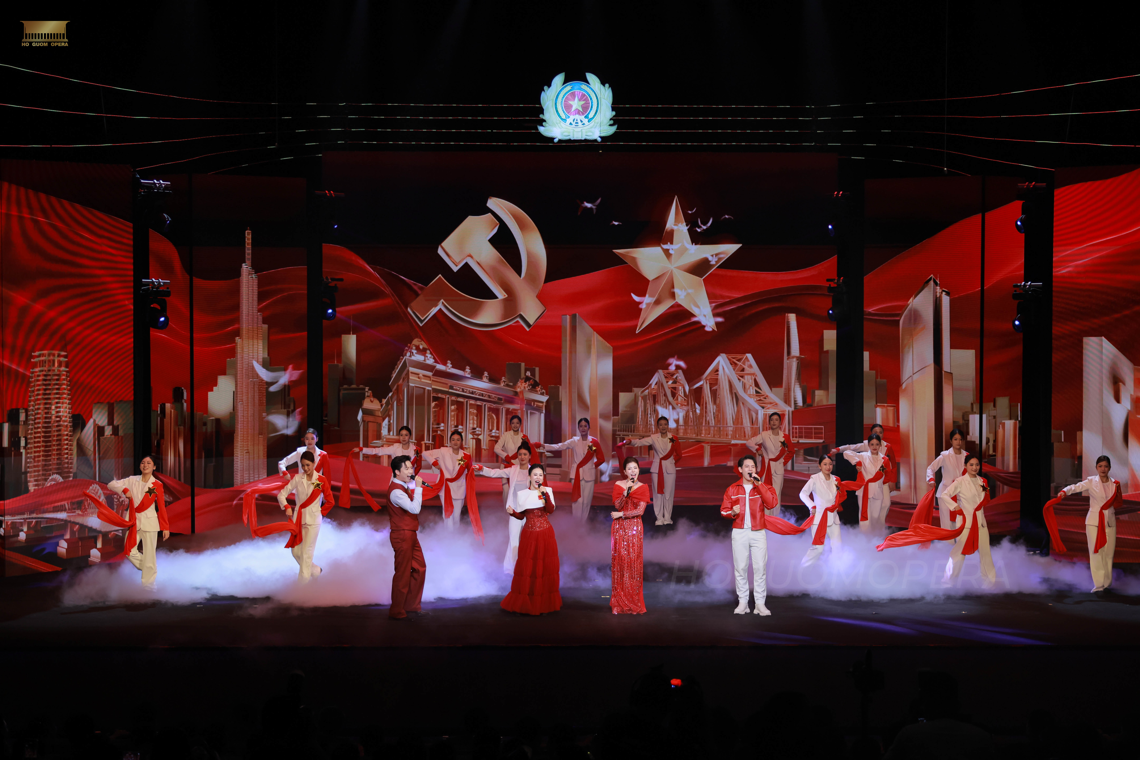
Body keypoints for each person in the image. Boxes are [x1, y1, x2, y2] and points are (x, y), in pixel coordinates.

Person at [720, 455, 778, 615]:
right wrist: (732, 512)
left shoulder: (763, 487)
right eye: (747, 466)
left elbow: (771, 503)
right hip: (739, 532)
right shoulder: (732, 489)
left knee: (760, 568)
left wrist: (759, 484)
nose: (750, 469)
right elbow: (724, 511)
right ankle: (743, 603)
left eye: (753, 466)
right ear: (740, 469)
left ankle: (760, 604)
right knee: (741, 568)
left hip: (758, 532)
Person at [501, 463, 561, 615]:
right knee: (529, 567)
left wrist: (544, 494)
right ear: (529, 477)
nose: (538, 477)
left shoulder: (547, 491)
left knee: (544, 568)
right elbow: (522, 516)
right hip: (529, 534)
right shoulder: (522, 494)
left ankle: (544, 601)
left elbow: (550, 510)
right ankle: (527, 600)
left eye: (540, 475)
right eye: (535, 474)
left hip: (545, 534)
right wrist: (513, 513)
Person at [1056, 455, 1120, 592]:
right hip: (1094, 522)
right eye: (1100, 466)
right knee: (1096, 552)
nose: (1103, 469)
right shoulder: (1091, 481)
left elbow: (1118, 503)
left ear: (1109, 468)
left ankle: (1107, 583)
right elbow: (1076, 487)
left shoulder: (1115, 484)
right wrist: (1064, 491)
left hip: (1110, 522)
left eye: (1106, 466)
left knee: (1109, 553)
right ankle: (1099, 584)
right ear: (1096, 467)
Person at [106, 456, 171, 589]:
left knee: (149, 555)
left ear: (154, 467)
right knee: (129, 551)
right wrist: (125, 490)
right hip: (134, 522)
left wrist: (165, 527)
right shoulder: (132, 480)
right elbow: (111, 484)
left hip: (150, 524)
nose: (145, 465)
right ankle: (149, 568)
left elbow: (162, 507)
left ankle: (149, 587)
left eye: (148, 463)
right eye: (142, 462)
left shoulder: (157, 485)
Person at [474, 441, 535, 573]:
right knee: (513, 539)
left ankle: (528, 567)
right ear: (517, 456)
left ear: (530, 456)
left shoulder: (534, 472)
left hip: (529, 512)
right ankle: (510, 569)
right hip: (514, 510)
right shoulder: (513, 470)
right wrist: (482, 469)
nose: (522, 457)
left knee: (529, 540)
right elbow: (495, 473)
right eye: (520, 454)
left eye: (525, 454)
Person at [276, 450, 335, 582]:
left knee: (306, 553)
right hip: (298, 519)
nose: (305, 468)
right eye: (303, 465)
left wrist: (319, 512)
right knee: (296, 552)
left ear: (314, 463)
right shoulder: (298, 478)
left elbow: (330, 501)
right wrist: (287, 507)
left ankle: (302, 588)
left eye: (308, 465)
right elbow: (281, 495)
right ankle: (315, 571)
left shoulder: (320, 480)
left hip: (313, 521)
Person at [939, 453, 995, 587]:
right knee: (958, 553)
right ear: (965, 466)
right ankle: (947, 582)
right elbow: (944, 494)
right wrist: (955, 507)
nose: (974, 467)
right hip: (966, 523)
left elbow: (986, 498)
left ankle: (990, 584)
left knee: (985, 554)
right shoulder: (960, 481)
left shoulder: (983, 481)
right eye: (971, 465)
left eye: (977, 465)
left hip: (981, 523)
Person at [536, 418, 604, 525]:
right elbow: (559, 446)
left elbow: (601, 459)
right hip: (576, 474)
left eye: (585, 426)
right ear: (578, 428)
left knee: (586, 502)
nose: (583, 428)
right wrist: (542, 445)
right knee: (578, 501)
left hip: (589, 475)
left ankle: (582, 525)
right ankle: (576, 524)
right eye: (580, 426)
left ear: (589, 427)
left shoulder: (594, 442)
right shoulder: (574, 441)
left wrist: (591, 466)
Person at [386, 454, 428, 619]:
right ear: (397, 472)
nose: (411, 471)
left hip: (410, 533)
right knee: (402, 573)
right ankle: (396, 610)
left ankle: (411, 605)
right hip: (402, 534)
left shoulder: (403, 487)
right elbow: (414, 509)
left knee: (420, 567)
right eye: (407, 468)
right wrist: (419, 488)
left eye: (411, 468)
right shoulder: (396, 491)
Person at [623, 416, 681, 526]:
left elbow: (679, 454)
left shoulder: (674, 438)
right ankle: (659, 518)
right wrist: (630, 442)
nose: (663, 427)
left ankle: (667, 518)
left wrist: (671, 462)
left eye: (665, 424)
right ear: (658, 426)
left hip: (670, 470)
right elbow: (641, 442)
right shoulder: (654, 438)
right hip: (657, 469)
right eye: (661, 425)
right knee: (658, 494)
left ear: (668, 426)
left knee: (668, 494)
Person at [610, 456, 650, 615]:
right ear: (625, 471)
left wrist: (621, 515)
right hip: (619, 529)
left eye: (635, 468)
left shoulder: (643, 487)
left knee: (633, 564)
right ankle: (619, 602)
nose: (633, 471)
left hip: (634, 529)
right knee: (620, 564)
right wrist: (625, 493)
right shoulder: (619, 485)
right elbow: (617, 505)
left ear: (639, 470)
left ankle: (633, 602)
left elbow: (640, 511)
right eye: (629, 468)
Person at [422, 430, 475, 532]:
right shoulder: (443, 451)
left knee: (456, 516)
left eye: (458, 440)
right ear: (450, 441)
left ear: (461, 441)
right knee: (448, 514)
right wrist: (435, 463)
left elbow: (470, 472)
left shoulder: (466, 456)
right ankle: (448, 536)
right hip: (445, 487)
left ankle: (455, 536)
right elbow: (425, 453)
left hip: (459, 488)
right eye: (453, 440)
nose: (455, 442)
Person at [841, 433, 894, 534]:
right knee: (865, 516)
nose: (874, 447)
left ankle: (874, 538)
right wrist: (857, 462)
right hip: (864, 491)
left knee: (875, 516)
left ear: (880, 445)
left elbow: (888, 475)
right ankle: (864, 539)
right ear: (868, 445)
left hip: (878, 490)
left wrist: (880, 483)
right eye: (872, 444)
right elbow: (846, 453)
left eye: (877, 444)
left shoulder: (885, 460)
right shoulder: (863, 456)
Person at [798, 453, 844, 566]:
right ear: (819, 466)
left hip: (833, 518)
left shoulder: (835, 479)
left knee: (837, 547)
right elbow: (803, 494)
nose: (828, 467)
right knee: (818, 548)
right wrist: (811, 506)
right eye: (825, 464)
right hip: (819, 518)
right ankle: (802, 568)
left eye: (830, 464)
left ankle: (836, 571)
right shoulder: (815, 479)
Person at [746, 412, 795, 513]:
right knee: (765, 493)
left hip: (778, 469)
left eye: (776, 420)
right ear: (769, 422)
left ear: (780, 422)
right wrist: (757, 448)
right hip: (766, 469)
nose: (774, 422)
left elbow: (791, 451)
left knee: (776, 495)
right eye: (772, 420)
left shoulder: (785, 437)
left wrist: (782, 462)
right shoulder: (764, 435)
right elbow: (749, 442)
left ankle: (775, 519)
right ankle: (766, 518)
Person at [926, 428, 969, 531]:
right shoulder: (945, 456)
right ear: (951, 441)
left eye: (960, 439)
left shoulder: (967, 456)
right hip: (945, 492)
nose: (958, 442)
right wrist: (931, 479)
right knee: (946, 523)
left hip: (961, 493)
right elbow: (931, 468)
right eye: (955, 439)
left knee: (960, 522)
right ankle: (947, 541)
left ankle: (959, 541)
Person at [354, 425, 420, 475]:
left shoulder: (416, 449)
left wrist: (412, 476)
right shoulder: (395, 447)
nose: (403, 437)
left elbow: (419, 466)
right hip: (397, 479)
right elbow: (378, 451)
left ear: (410, 436)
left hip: (410, 480)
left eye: (406, 435)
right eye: (401, 435)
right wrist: (362, 449)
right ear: (399, 436)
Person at [493, 414, 530, 502]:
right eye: (513, 423)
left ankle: (517, 509)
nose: (515, 425)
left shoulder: (524, 437)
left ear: (520, 424)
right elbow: (496, 448)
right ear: (510, 424)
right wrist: (506, 456)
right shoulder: (506, 435)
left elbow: (528, 451)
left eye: (517, 423)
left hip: (519, 467)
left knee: (518, 491)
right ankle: (506, 509)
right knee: (506, 490)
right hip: (506, 466)